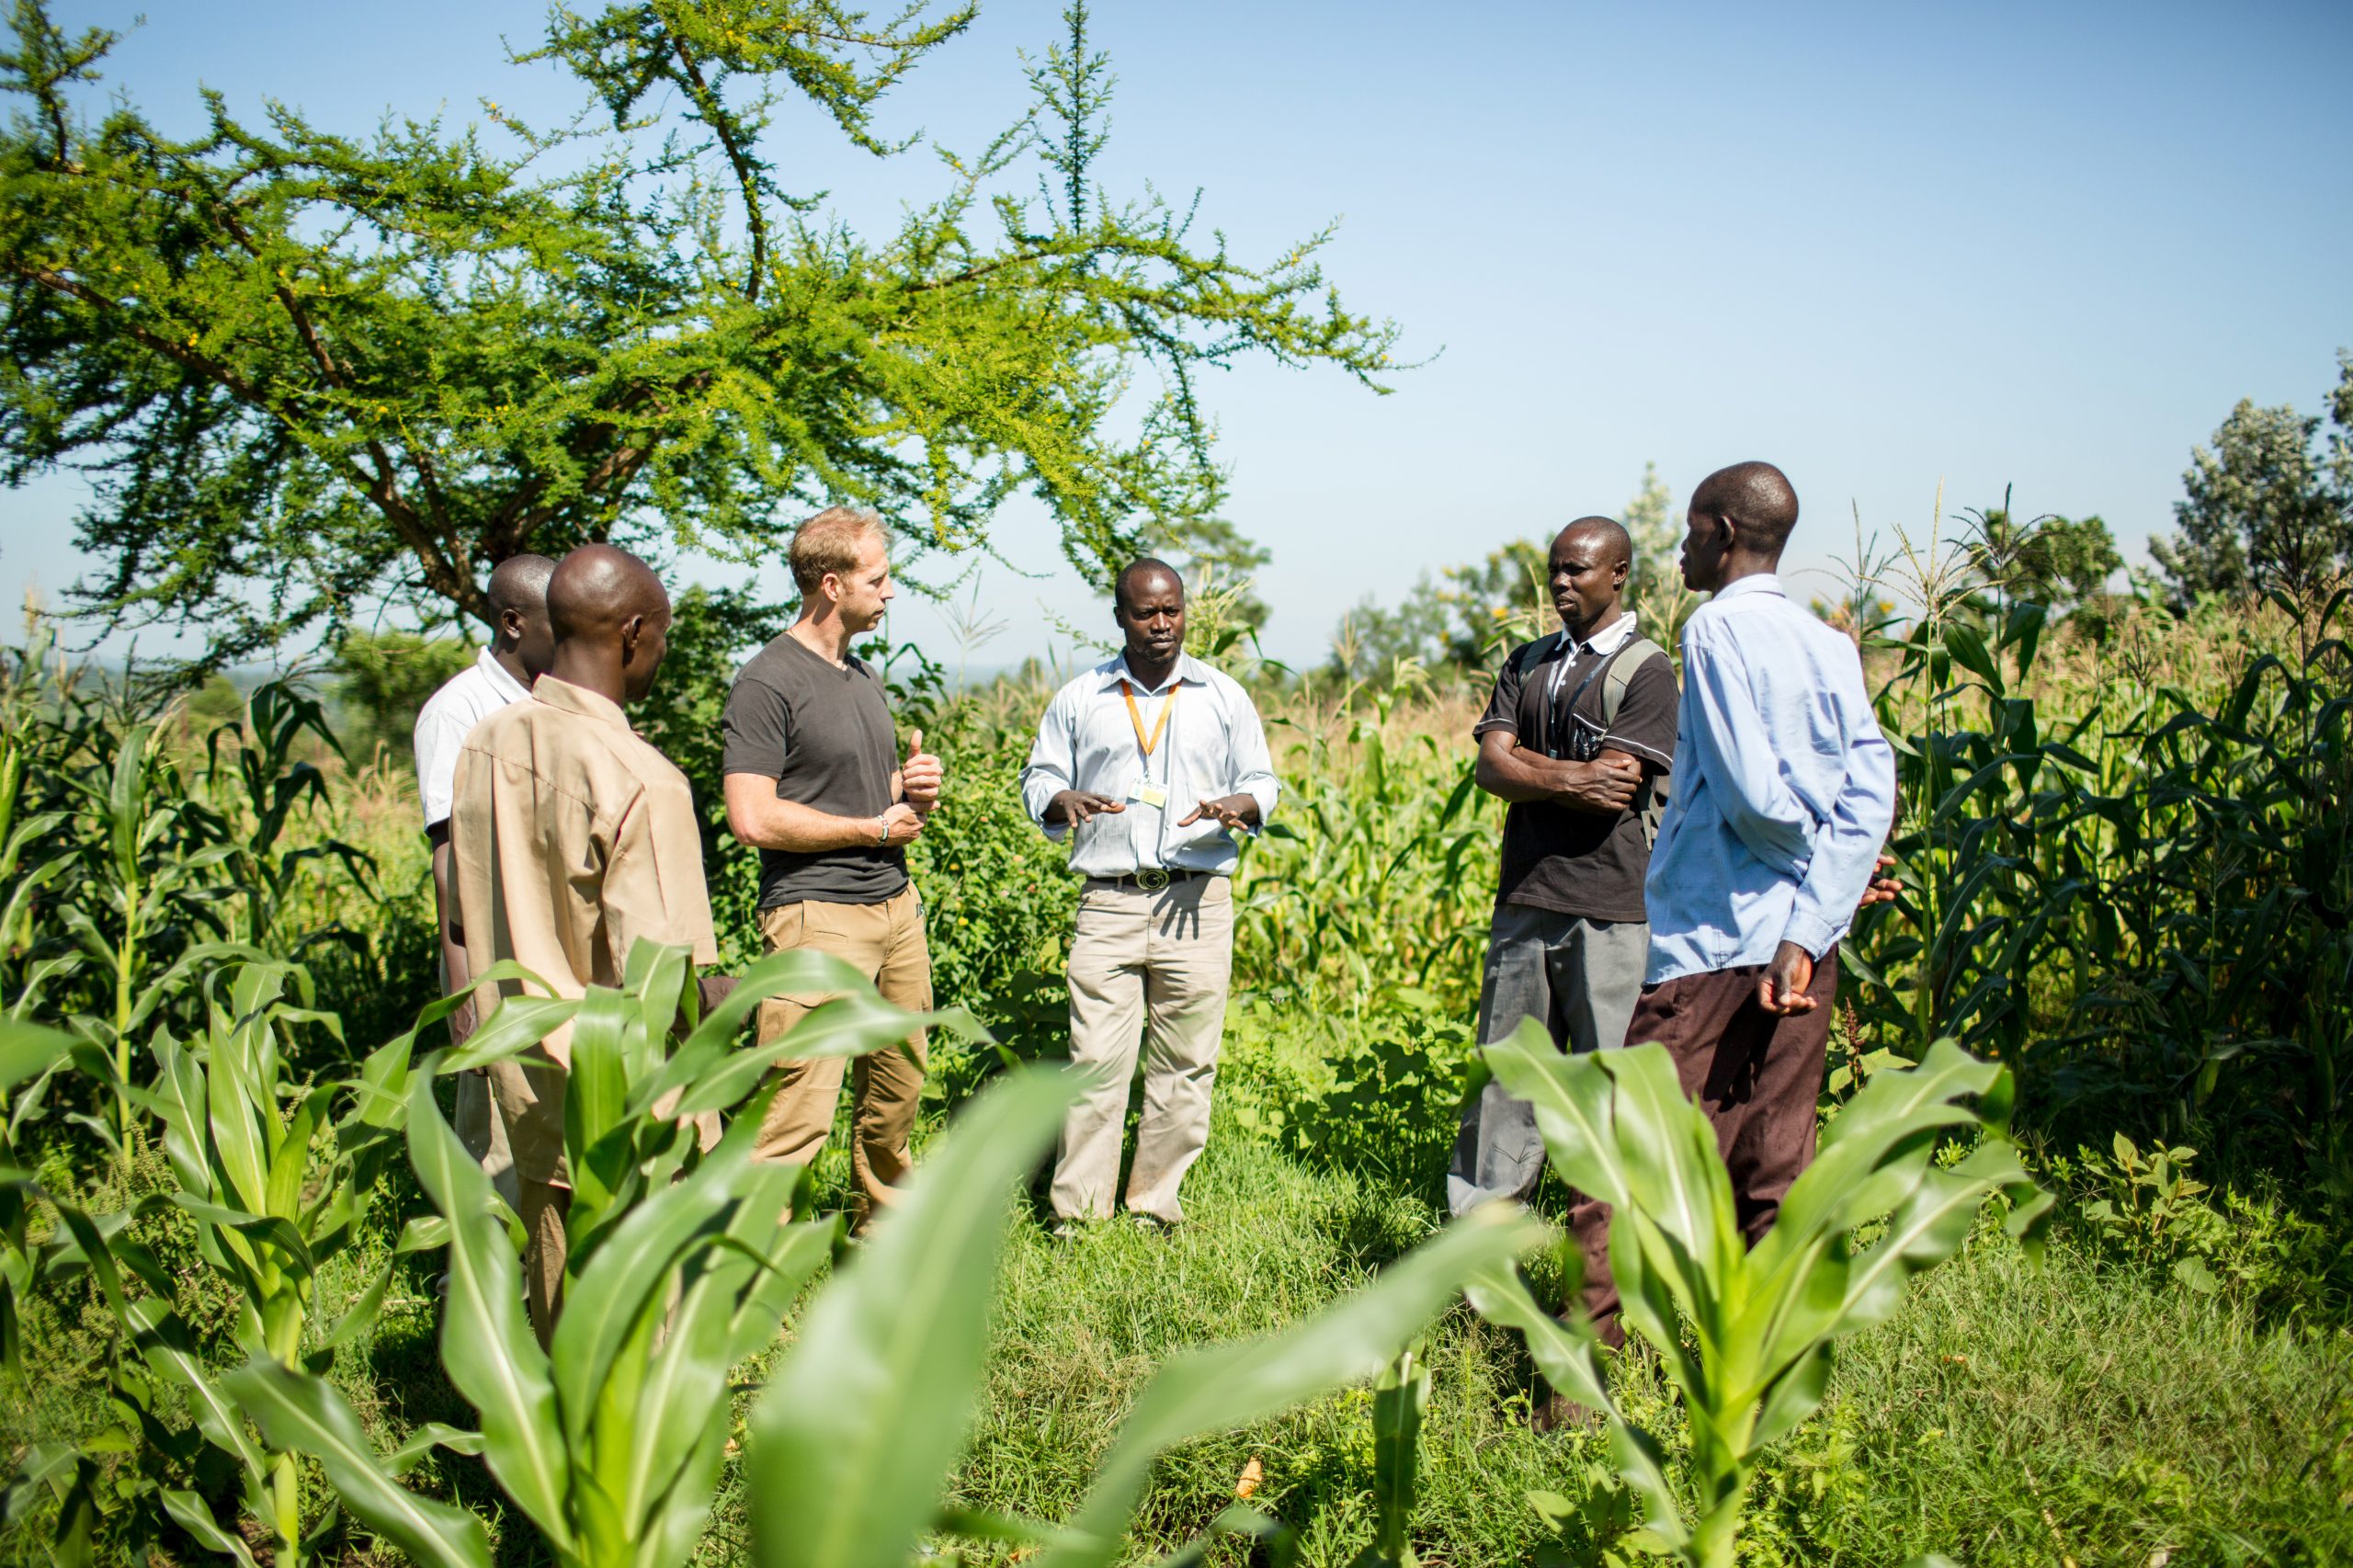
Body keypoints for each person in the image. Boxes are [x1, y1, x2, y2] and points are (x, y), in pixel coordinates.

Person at [1571, 460, 1898, 1361]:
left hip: (1712, 948)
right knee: (1773, 1166)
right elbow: (1870, 791)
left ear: (1720, 532)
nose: (1677, 549)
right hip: (1801, 953)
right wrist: (1823, 902)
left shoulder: (1715, 628)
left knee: (1629, 1164)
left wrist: (1805, 882)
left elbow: (1753, 796)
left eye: (1685, 532)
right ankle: (1769, 1379)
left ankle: (1585, 1390)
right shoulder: (1828, 640)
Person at [449, 544, 726, 1343]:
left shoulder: (486, 743)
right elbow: (665, 978)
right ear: (634, 633)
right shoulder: (641, 778)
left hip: (527, 1080)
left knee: (555, 1316)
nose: (661, 654)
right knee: (642, 1335)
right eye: (663, 637)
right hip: (622, 1109)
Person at [1018, 558, 1279, 1233]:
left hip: (1196, 902)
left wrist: (1241, 803)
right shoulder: (1083, 697)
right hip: (1107, 901)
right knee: (1094, 1063)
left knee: (1186, 1064)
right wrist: (1058, 797)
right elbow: (1039, 775)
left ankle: (1154, 1208)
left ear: (1185, 611)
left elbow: (1263, 780)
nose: (1161, 624)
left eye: (1172, 610)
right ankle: (1077, 1216)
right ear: (1120, 619)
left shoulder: (1223, 696)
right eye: (1145, 612)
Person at [1446, 517, 1678, 1219]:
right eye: (1554, 569)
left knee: (1607, 1086)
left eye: (1577, 569)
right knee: (1504, 1083)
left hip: (1611, 908)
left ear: (1618, 576)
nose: (1560, 583)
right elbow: (1491, 767)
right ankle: (1483, 1251)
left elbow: (1619, 782)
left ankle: (1606, 1253)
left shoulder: (1647, 670)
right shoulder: (1527, 661)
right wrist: (1568, 778)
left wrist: (1531, 767)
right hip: (1525, 895)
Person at [720, 506, 942, 1224]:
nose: (891, 590)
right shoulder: (766, 683)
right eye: (877, 578)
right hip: (816, 916)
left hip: (895, 909)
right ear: (830, 584)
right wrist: (873, 827)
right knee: (794, 1111)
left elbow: (867, 802)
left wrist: (909, 796)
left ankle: (883, 1248)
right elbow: (752, 816)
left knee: (897, 1094)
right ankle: (748, 1279)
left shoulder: (860, 676)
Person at [412, 552, 555, 1209]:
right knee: (496, 1142)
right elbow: (449, 863)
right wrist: (465, 991)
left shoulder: (551, 701)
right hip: (491, 957)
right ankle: (474, 1295)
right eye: (563, 621)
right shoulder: (458, 711)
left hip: (549, 949)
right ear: (513, 622)